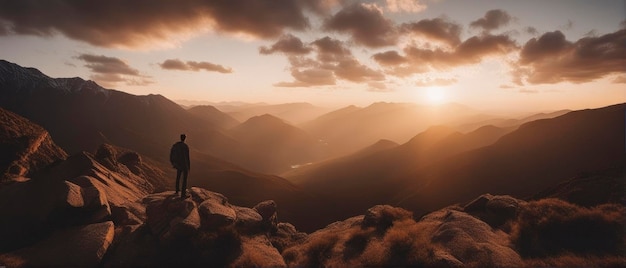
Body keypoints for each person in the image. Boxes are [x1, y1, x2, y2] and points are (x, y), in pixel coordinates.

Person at [170, 134, 190, 198]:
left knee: (178, 177)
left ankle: (177, 190)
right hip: (184, 164)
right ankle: (183, 194)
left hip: (178, 164)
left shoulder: (176, 145)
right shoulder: (185, 146)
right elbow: (187, 157)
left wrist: (174, 163)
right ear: (185, 138)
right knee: (184, 179)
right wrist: (188, 166)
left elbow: (171, 154)